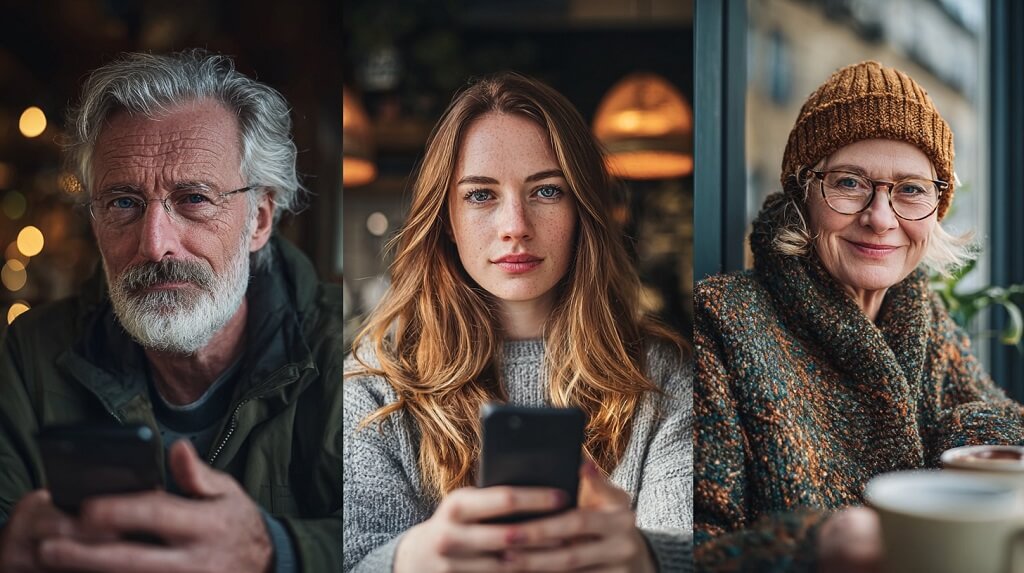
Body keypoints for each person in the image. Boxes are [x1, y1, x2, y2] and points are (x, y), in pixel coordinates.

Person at [0, 50, 342, 572]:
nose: (155, 244)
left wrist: (276, 551)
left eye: (194, 199)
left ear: (260, 219)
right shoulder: (29, 356)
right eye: (122, 203)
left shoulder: (359, 352)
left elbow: (415, 543)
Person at [343, 72, 693, 573]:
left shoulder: (662, 377)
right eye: (481, 195)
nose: (515, 227)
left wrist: (647, 558)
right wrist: (409, 562)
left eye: (547, 191)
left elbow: (691, 542)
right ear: (446, 218)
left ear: (583, 209)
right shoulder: (375, 387)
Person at [693, 60, 1024, 572]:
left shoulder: (925, 315)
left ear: (937, 206)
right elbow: (689, 547)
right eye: (849, 183)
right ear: (803, 191)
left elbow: (991, 423)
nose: (880, 217)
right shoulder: (723, 320)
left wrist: (968, 442)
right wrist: (812, 548)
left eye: (911, 189)